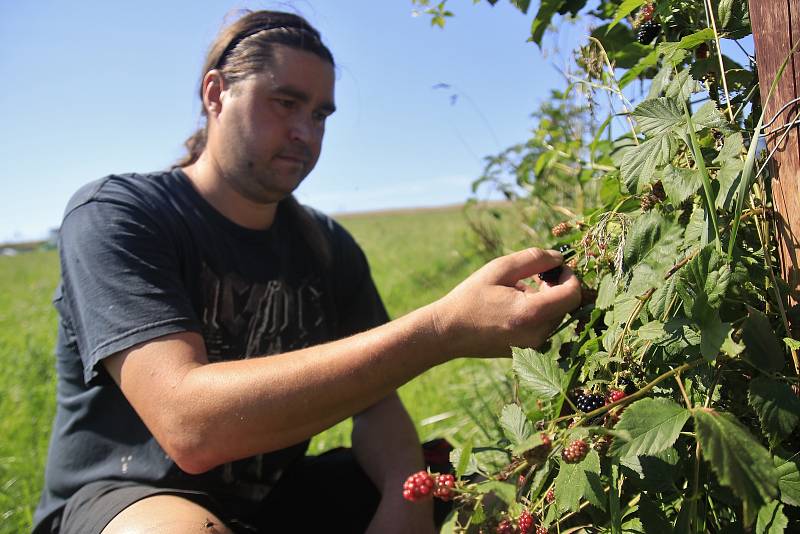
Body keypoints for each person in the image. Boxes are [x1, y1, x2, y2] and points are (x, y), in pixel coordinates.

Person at [32, 10, 581, 534]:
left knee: (476, 496)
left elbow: (378, 401)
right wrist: (441, 331)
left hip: (278, 499)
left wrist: (403, 497)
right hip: (130, 499)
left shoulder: (327, 246)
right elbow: (190, 426)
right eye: (285, 103)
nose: (305, 131)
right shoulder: (121, 215)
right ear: (216, 93)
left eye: (320, 114)